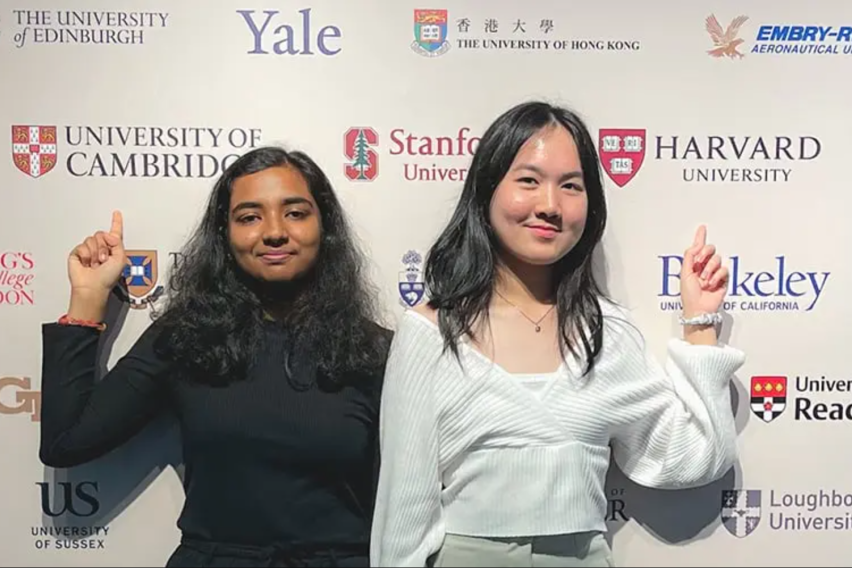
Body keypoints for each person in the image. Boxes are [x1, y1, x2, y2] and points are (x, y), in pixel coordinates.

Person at [369, 101, 746, 568]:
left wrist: (701, 324)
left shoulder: (607, 334)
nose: (549, 205)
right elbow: (403, 514)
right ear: (486, 192)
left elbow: (692, 457)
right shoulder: (429, 333)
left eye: (570, 186)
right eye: (528, 180)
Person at [39, 146, 393, 567]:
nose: (275, 231)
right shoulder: (186, 337)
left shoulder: (377, 353)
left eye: (296, 212)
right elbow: (67, 442)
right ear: (224, 235)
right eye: (249, 217)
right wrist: (88, 297)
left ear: (326, 227)